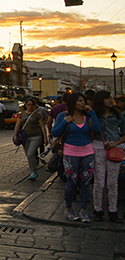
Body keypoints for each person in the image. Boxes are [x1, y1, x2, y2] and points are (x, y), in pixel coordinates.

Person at [52, 92, 100, 222]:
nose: (83, 103)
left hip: (87, 153)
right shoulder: (64, 116)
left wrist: (93, 113)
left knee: (85, 182)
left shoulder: (87, 117)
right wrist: (64, 123)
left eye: (84, 101)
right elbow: (55, 132)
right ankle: (68, 208)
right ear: (73, 103)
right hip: (70, 153)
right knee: (71, 182)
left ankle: (84, 210)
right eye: (80, 101)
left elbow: (96, 129)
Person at [91, 90, 125, 222]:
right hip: (98, 146)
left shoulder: (118, 116)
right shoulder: (95, 115)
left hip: (114, 148)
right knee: (99, 181)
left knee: (113, 182)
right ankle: (98, 209)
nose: (110, 100)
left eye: (110, 98)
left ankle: (113, 210)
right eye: (107, 98)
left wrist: (114, 143)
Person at [12, 97, 48, 180]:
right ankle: (33, 171)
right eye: (28, 105)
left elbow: (42, 126)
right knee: (28, 155)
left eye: (32, 105)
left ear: (34, 106)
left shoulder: (37, 115)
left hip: (36, 136)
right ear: (26, 105)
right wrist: (15, 135)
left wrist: (45, 137)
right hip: (25, 137)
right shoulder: (22, 114)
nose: (30, 107)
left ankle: (34, 171)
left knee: (30, 154)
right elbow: (17, 125)